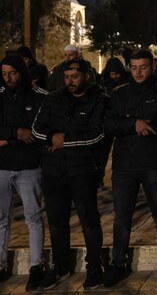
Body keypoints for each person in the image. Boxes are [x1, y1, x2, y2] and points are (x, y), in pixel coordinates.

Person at [103, 49, 157, 288]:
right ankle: (118, 264)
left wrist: (149, 126)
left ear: (153, 66)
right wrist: (133, 123)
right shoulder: (118, 93)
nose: (138, 72)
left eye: (143, 67)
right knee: (122, 219)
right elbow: (108, 124)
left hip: (154, 163)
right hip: (124, 165)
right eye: (134, 68)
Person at [32, 58, 108, 290]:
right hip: (54, 171)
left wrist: (63, 141)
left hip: (82, 170)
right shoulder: (54, 98)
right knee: (56, 223)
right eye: (67, 77)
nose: (70, 81)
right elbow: (37, 128)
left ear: (86, 76)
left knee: (89, 221)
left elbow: (96, 135)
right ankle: (60, 267)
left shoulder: (100, 99)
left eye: (75, 77)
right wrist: (51, 137)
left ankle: (94, 268)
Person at [0, 55, 48, 289]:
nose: (8, 78)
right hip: (2, 166)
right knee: (0, 219)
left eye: (13, 73)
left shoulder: (39, 97)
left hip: (29, 167)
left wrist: (6, 138)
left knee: (34, 217)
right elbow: (21, 132)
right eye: (4, 73)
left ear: (22, 72)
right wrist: (15, 133)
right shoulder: (0, 95)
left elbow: (37, 131)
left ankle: (36, 266)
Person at [98, 57, 131, 187]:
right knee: (103, 151)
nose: (115, 76)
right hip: (108, 120)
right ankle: (99, 176)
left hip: (124, 120)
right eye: (112, 74)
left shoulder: (128, 82)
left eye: (117, 73)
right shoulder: (104, 83)